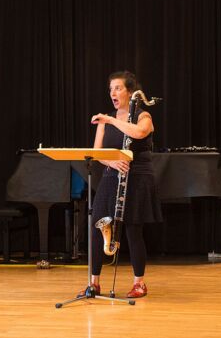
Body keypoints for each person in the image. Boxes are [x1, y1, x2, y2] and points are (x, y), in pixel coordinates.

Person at [83, 71, 163, 299]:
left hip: (137, 177)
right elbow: (97, 152)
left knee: (133, 230)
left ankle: (139, 284)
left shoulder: (143, 115)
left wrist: (111, 121)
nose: (113, 93)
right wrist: (112, 162)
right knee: (97, 227)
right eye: (111, 89)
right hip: (111, 176)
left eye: (118, 88)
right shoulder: (105, 120)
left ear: (130, 92)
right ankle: (94, 283)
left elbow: (140, 132)